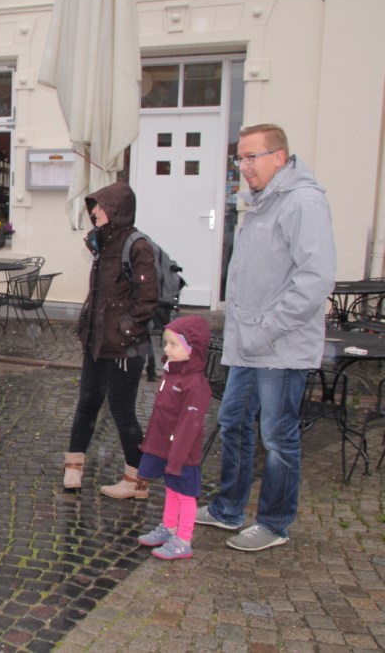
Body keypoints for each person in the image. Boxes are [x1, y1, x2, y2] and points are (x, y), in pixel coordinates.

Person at [195, 123, 335, 552]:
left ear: (279, 157)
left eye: (251, 157)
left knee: (277, 437)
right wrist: (246, 332)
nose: (243, 166)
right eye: (240, 158)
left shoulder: (303, 202)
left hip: (280, 346)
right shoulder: (260, 202)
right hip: (248, 344)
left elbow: (315, 279)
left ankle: (274, 523)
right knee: (233, 422)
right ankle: (228, 509)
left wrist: (270, 329)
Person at [63, 183, 158, 498]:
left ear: (117, 209)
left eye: (100, 206)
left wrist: (124, 332)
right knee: (87, 403)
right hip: (97, 341)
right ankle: (73, 467)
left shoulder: (138, 245)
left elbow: (147, 300)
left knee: (122, 411)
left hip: (124, 348)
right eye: (94, 206)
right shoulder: (101, 242)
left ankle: (137, 480)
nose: (94, 212)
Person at [136, 315, 213, 560]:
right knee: (171, 488)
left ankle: (183, 539)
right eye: (166, 343)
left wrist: (178, 457)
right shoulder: (172, 373)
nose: (166, 349)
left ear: (192, 350)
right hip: (167, 446)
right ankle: (169, 527)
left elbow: (189, 426)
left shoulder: (195, 385)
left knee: (185, 493)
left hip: (183, 452)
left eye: (173, 344)